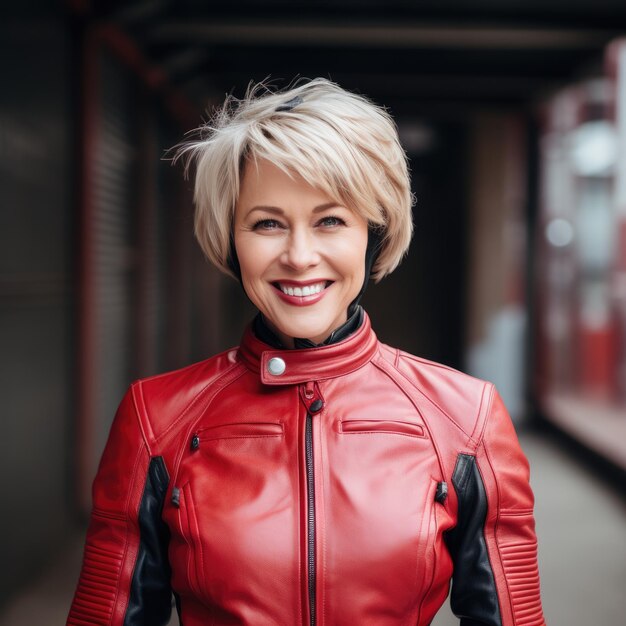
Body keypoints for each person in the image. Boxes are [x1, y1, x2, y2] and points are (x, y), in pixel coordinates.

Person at [67, 77, 545, 626]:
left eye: (330, 221)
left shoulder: (465, 417)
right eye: (267, 223)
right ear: (230, 238)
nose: (298, 255)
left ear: (375, 233)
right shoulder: (156, 418)